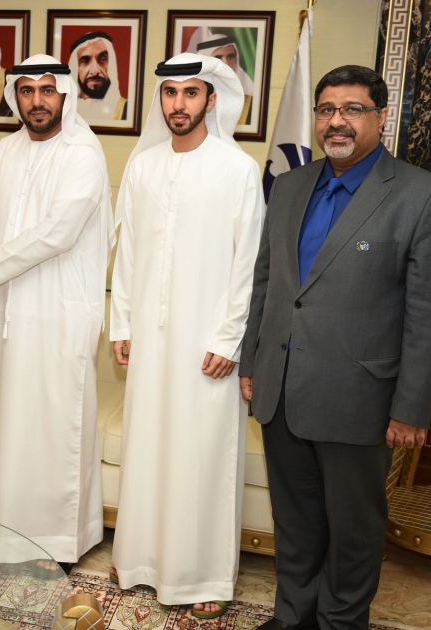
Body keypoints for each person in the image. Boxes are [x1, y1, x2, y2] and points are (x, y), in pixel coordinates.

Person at [238, 65, 431, 630]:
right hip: (281, 388)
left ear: (381, 118)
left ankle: (340, 622)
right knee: (295, 519)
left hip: (360, 398)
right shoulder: (290, 186)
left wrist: (413, 407)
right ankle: (293, 616)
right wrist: (252, 362)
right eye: (326, 110)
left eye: (352, 109)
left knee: (353, 528)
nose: (336, 121)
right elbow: (267, 283)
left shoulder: (424, 197)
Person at [0, 54, 113, 571]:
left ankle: (57, 542)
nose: (37, 100)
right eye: (27, 90)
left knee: (56, 425)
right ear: (15, 96)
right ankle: (10, 531)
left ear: (65, 95)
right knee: (15, 425)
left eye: (47, 90)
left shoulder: (82, 152)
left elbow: (58, 233)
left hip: (59, 311)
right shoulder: (6, 148)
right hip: (7, 308)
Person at [108, 53, 264, 619]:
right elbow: (128, 253)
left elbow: (248, 263)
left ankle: (205, 577)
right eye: (170, 93)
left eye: (190, 93)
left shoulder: (237, 169)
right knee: (147, 446)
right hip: (149, 339)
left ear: (211, 99)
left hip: (208, 342)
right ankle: (139, 559)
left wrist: (229, 338)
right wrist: (122, 322)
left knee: (203, 455)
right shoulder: (143, 166)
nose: (178, 104)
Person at [196, 33, 255, 125]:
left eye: (230, 57)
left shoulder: (250, 103)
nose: (226, 63)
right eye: (218, 58)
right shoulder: (192, 98)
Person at [68, 32, 128, 121]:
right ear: (76, 68)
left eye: (103, 59)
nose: (95, 71)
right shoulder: (63, 112)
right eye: (85, 61)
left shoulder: (126, 110)